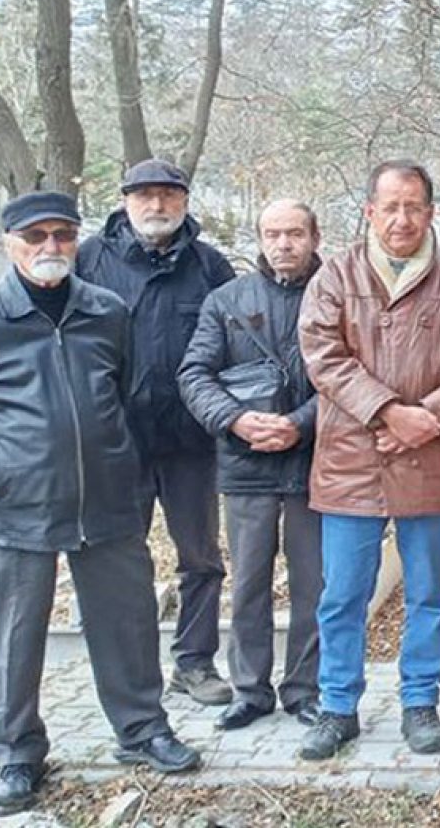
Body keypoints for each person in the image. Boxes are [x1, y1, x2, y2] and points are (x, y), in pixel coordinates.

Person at [0, 193, 202, 816]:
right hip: (15, 507)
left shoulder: (107, 312)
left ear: (77, 240)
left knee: (127, 619)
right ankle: (17, 753)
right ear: (9, 243)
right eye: (35, 236)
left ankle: (142, 729)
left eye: (62, 234)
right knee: (16, 631)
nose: (50, 247)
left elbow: (124, 390)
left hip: (107, 496)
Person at [296, 159, 440, 760]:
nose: (402, 219)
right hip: (350, 460)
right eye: (391, 207)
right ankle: (338, 706)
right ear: (370, 211)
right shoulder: (335, 276)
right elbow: (323, 356)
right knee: (343, 595)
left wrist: (428, 418)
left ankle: (420, 702)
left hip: (430, 457)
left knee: (428, 594)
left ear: (431, 212)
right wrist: (388, 412)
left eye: (414, 206)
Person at [76, 158, 237, 706]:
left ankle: (194, 663)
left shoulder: (210, 267)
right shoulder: (90, 262)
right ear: (126, 202)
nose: (156, 205)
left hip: (191, 442)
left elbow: (235, 347)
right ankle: (132, 672)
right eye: (144, 195)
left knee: (201, 558)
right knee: (123, 559)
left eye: (168, 195)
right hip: (117, 441)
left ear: (185, 202)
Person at [176, 200, 325, 731]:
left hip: (316, 461)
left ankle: (305, 689)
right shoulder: (226, 300)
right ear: (259, 238)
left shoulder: (337, 295)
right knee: (248, 584)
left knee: (314, 584)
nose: (284, 243)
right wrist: (235, 420)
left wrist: (302, 423)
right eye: (272, 233)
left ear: (314, 237)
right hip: (246, 462)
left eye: (294, 233)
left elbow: (353, 372)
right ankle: (250, 691)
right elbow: (194, 374)